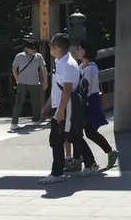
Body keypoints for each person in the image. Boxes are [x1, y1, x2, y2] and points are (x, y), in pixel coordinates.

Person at [38, 33, 98, 185]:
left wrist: (60, 111)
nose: (49, 48)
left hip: (66, 106)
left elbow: (67, 89)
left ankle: (57, 172)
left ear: (57, 47)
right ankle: (91, 164)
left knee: (57, 139)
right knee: (72, 136)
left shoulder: (68, 64)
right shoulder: (60, 62)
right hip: (60, 105)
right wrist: (47, 106)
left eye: (51, 45)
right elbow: (57, 89)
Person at [73, 42, 119, 169]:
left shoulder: (91, 68)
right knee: (78, 131)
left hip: (90, 102)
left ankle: (110, 152)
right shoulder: (81, 66)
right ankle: (78, 158)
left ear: (86, 51)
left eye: (80, 50)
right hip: (83, 102)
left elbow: (84, 88)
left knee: (89, 131)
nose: (77, 52)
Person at [10, 39, 48, 130]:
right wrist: (17, 79)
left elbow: (44, 68)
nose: (34, 50)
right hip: (22, 82)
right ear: (26, 48)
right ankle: (14, 122)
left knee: (35, 102)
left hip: (34, 82)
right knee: (19, 102)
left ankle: (36, 119)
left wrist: (45, 80)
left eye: (35, 48)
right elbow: (14, 68)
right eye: (31, 49)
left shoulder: (38, 56)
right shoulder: (19, 56)